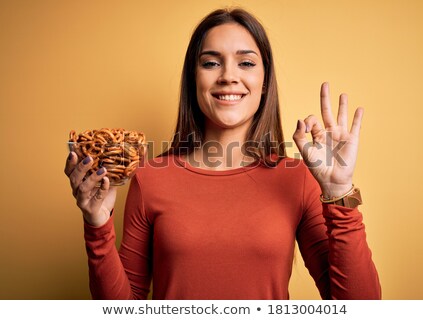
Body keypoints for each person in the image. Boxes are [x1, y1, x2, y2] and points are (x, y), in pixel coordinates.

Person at [64, 8, 381, 300]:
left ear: (265, 81)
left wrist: (340, 192)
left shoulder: (297, 179)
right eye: (211, 62)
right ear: (194, 78)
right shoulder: (150, 179)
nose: (229, 75)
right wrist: (98, 223)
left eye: (245, 62)